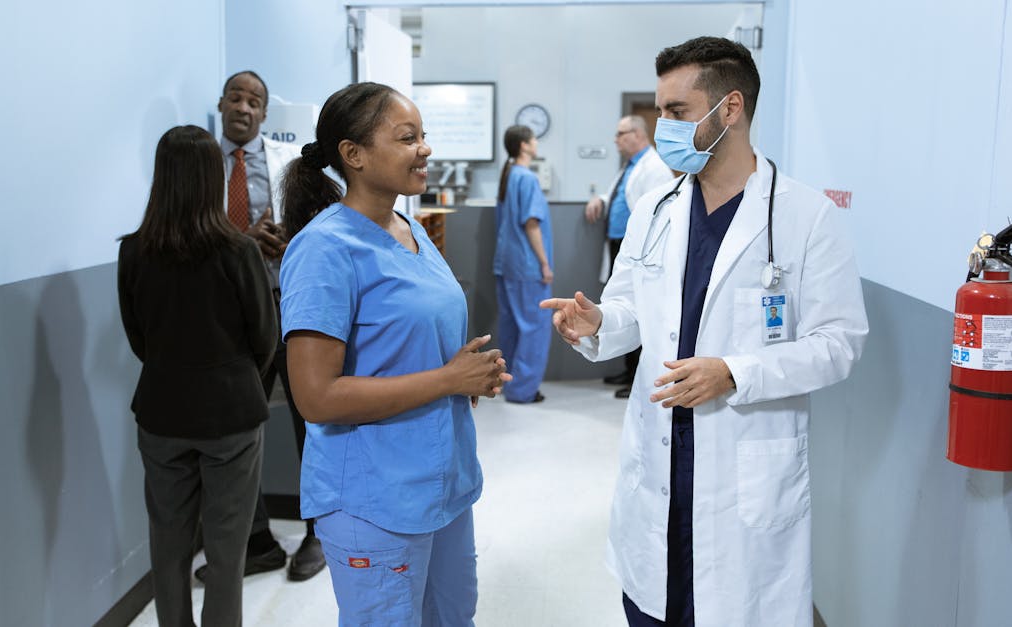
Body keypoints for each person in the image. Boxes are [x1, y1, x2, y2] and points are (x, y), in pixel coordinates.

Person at [541, 37, 868, 627]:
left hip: (743, 469)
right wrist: (597, 324)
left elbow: (839, 343)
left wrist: (733, 373)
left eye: (675, 112)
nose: (660, 125)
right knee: (654, 607)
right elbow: (631, 313)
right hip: (660, 462)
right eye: (659, 110)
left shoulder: (805, 217)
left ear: (731, 109)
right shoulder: (655, 210)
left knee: (733, 607)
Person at [278, 81, 511, 626]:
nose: (425, 149)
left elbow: (411, 341)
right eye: (408, 138)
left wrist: (470, 377)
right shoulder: (325, 250)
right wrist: (448, 380)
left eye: (423, 136)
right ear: (352, 155)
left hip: (442, 485)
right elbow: (315, 396)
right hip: (374, 501)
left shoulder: (408, 227)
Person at [118, 124, 277, 627]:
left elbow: (138, 338)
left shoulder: (134, 250)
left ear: (161, 177)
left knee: (168, 547)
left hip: (162, 411)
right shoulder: (239, 251)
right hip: (231, 414)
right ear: (213, 176)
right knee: (227, 552)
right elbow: (266, 340)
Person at [200, 69, 326, 583]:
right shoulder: (200, 165)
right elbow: (190, 235)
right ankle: (255, 543)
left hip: (286, 307)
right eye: (236, 98)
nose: (245, 108)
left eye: (255, 101)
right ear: (222, 104)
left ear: (265, 113)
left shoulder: (285, 161)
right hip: (230, 319)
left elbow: (317, 227)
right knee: (238, 432)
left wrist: (285, 237)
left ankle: (319, 533)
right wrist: (241, 240)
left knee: (311, 422)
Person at [584, 115, 674, 399]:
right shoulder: (631, 166)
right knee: (621, 303)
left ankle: (637, 375)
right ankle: (626, 369)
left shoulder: (655, 167)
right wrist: (600, 198)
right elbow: (621, 194)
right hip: (620, 245)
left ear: (637, 134)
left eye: (621, 133)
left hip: (640, 251)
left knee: (638, 308)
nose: (616, 139)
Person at [493, 124, 553, 404]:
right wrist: (544, 264)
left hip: (506, 264)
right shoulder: (526, 178)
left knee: (513, 326)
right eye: (533, 139)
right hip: (527, 265)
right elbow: (531, 224)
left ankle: (511, 384)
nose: (535, 143)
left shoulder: (508, 176)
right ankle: (523, 390)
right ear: (525, 145)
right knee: (534, 328)